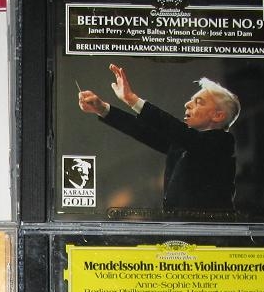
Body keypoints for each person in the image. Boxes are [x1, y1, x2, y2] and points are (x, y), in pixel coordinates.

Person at [78, 64, 240, 214]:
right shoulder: (184, 144)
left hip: (209, 232)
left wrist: (132, 99)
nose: (187, 104)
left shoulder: (222, 143)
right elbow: (143, 131)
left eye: (199, 102)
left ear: (218, 116)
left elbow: (178, 130)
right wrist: (103, 109)